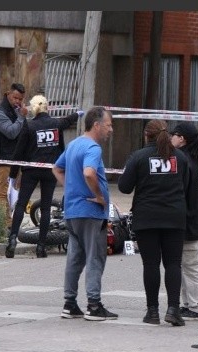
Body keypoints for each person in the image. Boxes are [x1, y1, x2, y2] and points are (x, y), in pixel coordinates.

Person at [118, 119, 193, 327]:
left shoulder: (138, 157)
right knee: (173, 264)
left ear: (146, 135)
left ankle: (152, 312)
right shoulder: (180, 157)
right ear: (166, 134)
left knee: (150, 264)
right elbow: (186, 185)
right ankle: (173, 309)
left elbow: (124, 187)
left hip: (147, 217)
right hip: (174, 216)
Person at [51, 106, 118, 321]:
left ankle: (69, 304)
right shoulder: (93, 148)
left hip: (72, 211)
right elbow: (89, 172)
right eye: (108, 125)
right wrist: (99, 196)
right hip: (91, 212)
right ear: (97, 125)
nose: (111, 130)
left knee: (74, 258)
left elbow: (56, 168)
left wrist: (71, 188)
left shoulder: (73, 145)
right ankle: (93, 305)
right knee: (95, 257)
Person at [5, 95, 80, 258]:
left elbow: (18, 152)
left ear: (33, 109)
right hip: (50, 171)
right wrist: (80, 113)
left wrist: (12, 175)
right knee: (46, 208)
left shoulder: (29, 126)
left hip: (30, 171)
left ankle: (12, 240)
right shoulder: (56, 124)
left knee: (21, 205)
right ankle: (41, 246)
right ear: (47, 107)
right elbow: (68, 120)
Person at [171, 122, 198, 321]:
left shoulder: (184, 160)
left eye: (174, 135)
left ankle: (196, 307)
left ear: (182, 138)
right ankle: (190, 304)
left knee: (191, 265)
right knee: (189, 264)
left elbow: (181, 192)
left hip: (189, 220)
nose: (171, 138)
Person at [0, 82, 28, 230]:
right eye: (15, 98)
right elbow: (11, 132)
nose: (18, 101)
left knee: (13, 192)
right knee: (3, 192)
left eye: (20, 99)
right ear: (8, 94)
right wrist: (21, 117)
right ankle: (3, 223)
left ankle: (10, 221)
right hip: (4, 157)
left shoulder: (15, 110)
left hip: (16, 157)